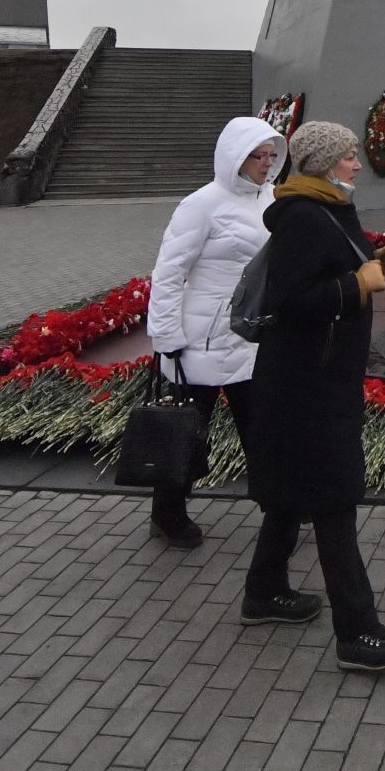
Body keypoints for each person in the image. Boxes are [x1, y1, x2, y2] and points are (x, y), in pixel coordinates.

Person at [241, 119, 385, 671]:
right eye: (348, 156)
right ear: (321, 164)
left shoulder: (331, 206)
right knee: (334, 500)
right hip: (305, 384)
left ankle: (264, 593)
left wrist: (373, 259)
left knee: (293, 491)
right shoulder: (302, 217)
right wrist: (355, 285)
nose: (357, 164)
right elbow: (292, 301)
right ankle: (358, 634)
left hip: (320, 376)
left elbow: (337, 260)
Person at [145, 114, 287, 545]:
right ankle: (167, 513)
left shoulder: (272, 200)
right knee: (187, 432)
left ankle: (279, 511)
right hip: (201, 343)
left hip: (252, 338)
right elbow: (169, 273)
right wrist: (167, 337)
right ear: (234, 158)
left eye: (270, 155)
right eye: (257, 156)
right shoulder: (200, 204)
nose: (266, 163)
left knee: (262, 431)